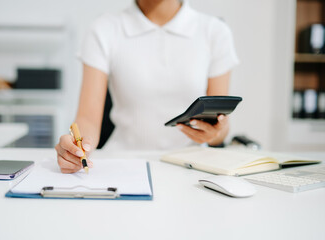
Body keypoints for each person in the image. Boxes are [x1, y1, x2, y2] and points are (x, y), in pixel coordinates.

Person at [55, 0, 239, 173]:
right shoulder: (104, 28)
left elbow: (220, 124)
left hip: (193, 166)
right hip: (123, 163)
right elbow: (87, 119)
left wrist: (214, 134)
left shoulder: (215, 31)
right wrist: (78, 148)